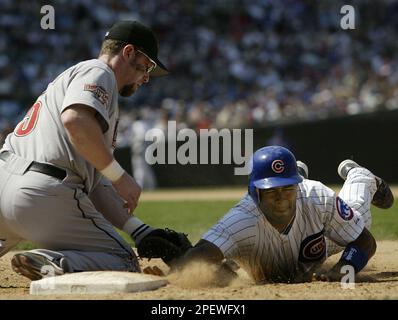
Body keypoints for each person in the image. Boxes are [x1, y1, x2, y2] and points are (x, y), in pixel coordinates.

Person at [0, 20, 172, 280]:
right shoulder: (100, 72)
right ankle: (52, 261)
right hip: (41, 193)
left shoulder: (74, 78)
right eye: (146, 65)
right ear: (128, 52)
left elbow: (93, 184)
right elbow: (76, 121)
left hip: (6, 181)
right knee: (124, 261)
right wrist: (121, 177)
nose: (146, 76)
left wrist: (139, 230)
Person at [175, 146, 394, 284]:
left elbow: (365, 241)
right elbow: (202, 253)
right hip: (290, 240)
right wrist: (175, 273)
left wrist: (343, 269)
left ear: (298, 187)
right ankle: (295, 174)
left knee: (359, 215)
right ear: (254, 192)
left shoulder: (315, 196)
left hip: (324, 236)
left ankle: (359, 175)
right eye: (271, 190)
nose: (280, 197)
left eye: (288, 188)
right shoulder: (241, 220)